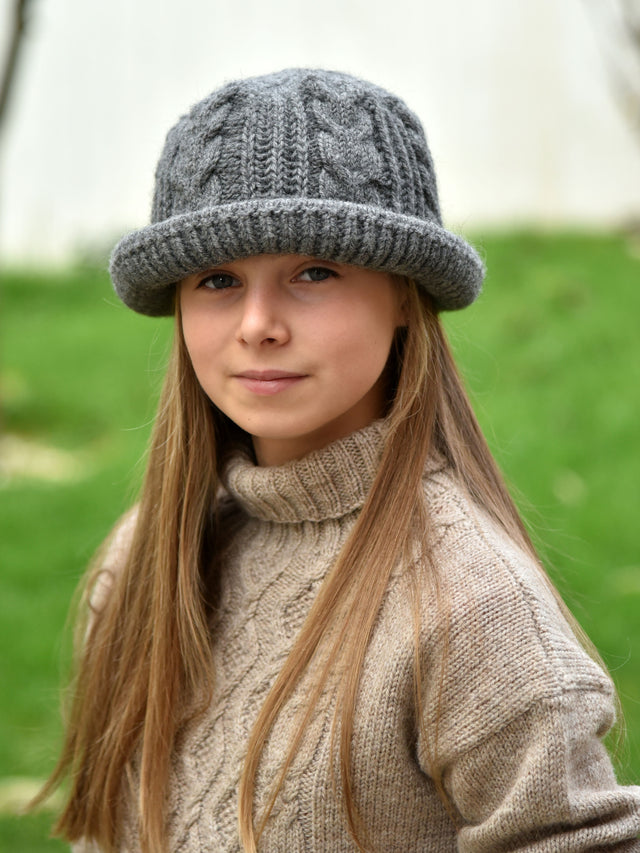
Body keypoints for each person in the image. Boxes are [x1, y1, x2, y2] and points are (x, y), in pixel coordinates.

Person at [42, 69, 640, 852]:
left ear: (405, 296)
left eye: (314, 272)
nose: (258, 323)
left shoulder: (471, 607)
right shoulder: (146, 557)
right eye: (218, 280)